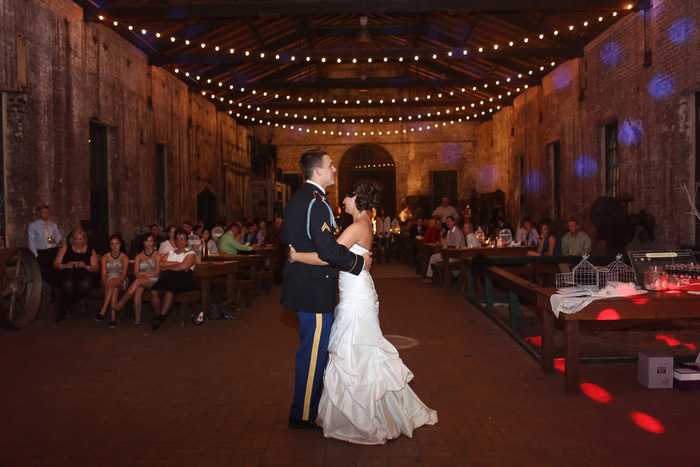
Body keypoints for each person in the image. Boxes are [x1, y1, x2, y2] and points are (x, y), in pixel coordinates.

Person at [289, 179, 437, 444]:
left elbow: (327, 256)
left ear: (355, 198)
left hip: (356, 297)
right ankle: (367, 411)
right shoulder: (364, 223)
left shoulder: (357, 226)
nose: (342, 201)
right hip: (357, 291)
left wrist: (296, 256)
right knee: (360, 352)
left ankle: (365, 416)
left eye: (346, 197)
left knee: (354, 352)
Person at [281, 149, 371, 431]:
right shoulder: (315, 203)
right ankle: (303, 413)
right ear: (317, 170)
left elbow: (288, 238)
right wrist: (359, 262)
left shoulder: (301, 199)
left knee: (315, 350)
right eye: (331, 165)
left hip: (305, 284)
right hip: (312, 288)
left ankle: (309, 407)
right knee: (313, 354)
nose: (335, 170)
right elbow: (328, 249)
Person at [150, 228, 197, 330]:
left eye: (183, 238)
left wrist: (168, 266)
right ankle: (158, 316)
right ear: (175, 240)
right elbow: (161, 264)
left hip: (183, 279)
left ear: (187, 241)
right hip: (168, 277)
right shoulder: (170, 252)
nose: (181, 241)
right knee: (154, 291)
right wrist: (177, 264)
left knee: (170, 291)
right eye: (178, 238)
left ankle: (161, 316)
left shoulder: (191, 253)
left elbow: (184, 267)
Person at [113, 232, 162, 326]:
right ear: (143, 242)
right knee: (138, 291)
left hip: (154, 280)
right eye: (146, 241)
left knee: (138, 281)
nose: (148, 244)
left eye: (151, 241)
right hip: (143, 281)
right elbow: (136, 273)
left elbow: (156, 272)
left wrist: (142, 274)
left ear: (154, 243)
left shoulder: (158, 255)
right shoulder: (138, 256)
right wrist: (143, 275)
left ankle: (121, 303)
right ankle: (137, 319)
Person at [52, 228, 99, 321]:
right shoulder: (66, 247)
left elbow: (96, 268)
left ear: (84, 239)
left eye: (80, 239)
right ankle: (64, 307)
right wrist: (65, 265)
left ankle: (63, 306)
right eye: (76, 239)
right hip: (68, 273)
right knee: (68, 284)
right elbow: (55, 264)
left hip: (85, 274)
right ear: (72, 239)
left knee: (85, 284)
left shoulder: (90, 250)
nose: (78, 241)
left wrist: (86, 266)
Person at [95, 234, 129, 328]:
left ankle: (103, 310)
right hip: (107, 279)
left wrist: (117, 281)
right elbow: (104, 273)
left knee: (113, 284)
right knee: (114, 289)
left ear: (120, 244)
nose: (115, 246)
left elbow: (124, 274)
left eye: (117, 244)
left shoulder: (124, 257)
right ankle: (113, 318)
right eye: (112, 244)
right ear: (109, 245)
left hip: (121, 280)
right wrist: (106, 282)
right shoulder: (105, 257)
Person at [27, 204, 63, 286]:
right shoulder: (33, 225)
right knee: (46, 273)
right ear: (39, 213)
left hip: (53, 251)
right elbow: (31, 242)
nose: (46, 215)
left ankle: (55, 292)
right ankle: (54, 288)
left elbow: (59, 237)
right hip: (42, 253)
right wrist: (35, 256)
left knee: (57, 272)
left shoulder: (52, 225)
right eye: (44, 213)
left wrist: (55, 240)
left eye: (48, 213)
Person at [423, 216, 466, 283]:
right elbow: (445, 244)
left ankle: (450, 278)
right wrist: (443, 252)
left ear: (454, 222)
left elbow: (457, 248)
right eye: (446, 222)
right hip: (449, 253)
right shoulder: (449, 232)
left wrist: (449, 248)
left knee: (445, 259)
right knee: (433, 257)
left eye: (449, 221)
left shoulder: (457, 232)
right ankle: (430, 277)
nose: (448, 223)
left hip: (458, 255)